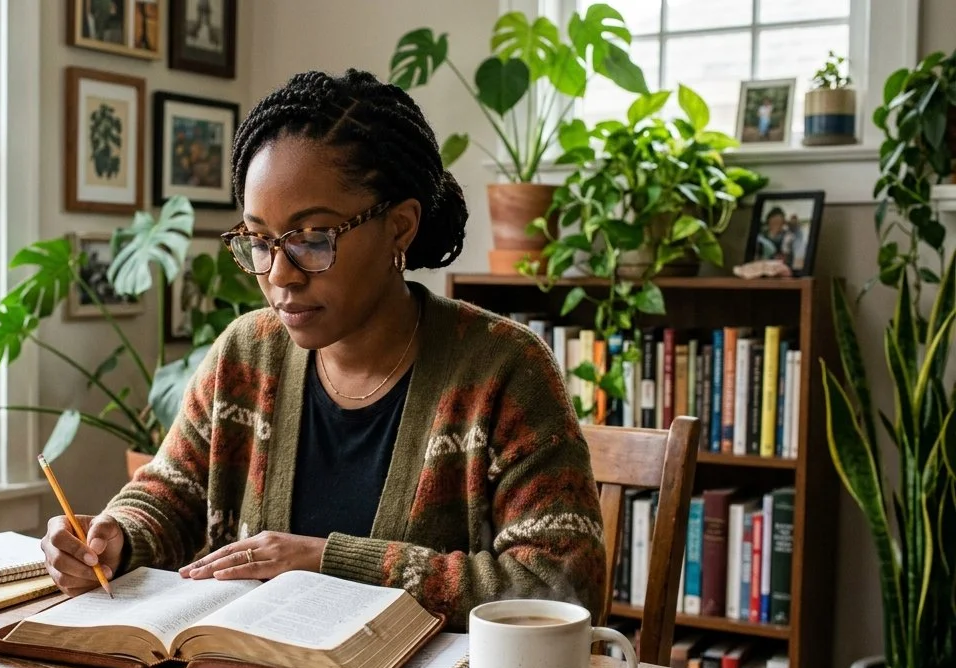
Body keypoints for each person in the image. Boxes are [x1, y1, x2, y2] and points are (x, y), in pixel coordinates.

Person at [40, 69, 607, 631]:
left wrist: (326, 562)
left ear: (400, 228)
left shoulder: (502, 371)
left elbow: (559, 586)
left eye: (312, 239)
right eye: (259, 241)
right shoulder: (245, 355)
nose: (280, 274)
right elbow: (171, 494)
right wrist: (118, 536)